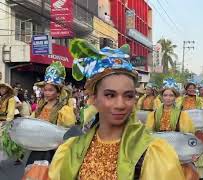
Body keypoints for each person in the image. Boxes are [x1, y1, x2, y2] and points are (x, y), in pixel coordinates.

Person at [49, 39, 185, 179]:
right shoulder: (71, 149)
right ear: (94, 97)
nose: (120, 104)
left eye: (128, 96)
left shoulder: (152, 152)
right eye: (110, 95)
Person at [146, 78, 198, 180]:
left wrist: (190, 152)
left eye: (171, 95)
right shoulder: (154, 114)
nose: (168, 98)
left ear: (175, 97)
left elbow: (187, 135)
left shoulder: (182, 115)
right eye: (165, 95)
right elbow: (148, 133)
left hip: (176, 150)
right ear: (161, 97)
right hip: (158, 151)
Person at [26, 61, 76, 165]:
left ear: (58, 93)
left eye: (50, 90)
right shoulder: (41, 106)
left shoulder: (64, 109)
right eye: (45, 90)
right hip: (38, 147)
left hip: (54, 151)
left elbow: (67, 130)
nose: (47, 93)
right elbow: (31, 122)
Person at [176, 80, 203, 179]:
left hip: (197, 126)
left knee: (198, 144)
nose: (191, 90)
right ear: (186, 90)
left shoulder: (199, 99)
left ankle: (199, 172)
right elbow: (177, 110)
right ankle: (186, 171)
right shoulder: (181, 99)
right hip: (185, 126)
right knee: (186, 146)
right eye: (189, 88)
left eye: (193, 88)